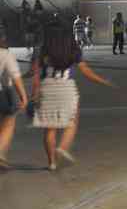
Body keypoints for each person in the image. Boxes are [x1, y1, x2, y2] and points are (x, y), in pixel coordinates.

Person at [30, 22, 116, 170]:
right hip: (66, 86)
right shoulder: (72, 47)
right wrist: (103, 81)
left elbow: (35, 72)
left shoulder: (43, 48)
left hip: (47, 86)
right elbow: (86, 71)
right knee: (72, 121)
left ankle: (51, 163)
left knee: (50, 128)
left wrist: (35, 91)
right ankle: (62, 148)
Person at [0, 26, 30, 169]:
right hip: (3, 94)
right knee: (9, 122)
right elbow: (15, 76)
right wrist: (23, 96)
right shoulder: (5, 54)